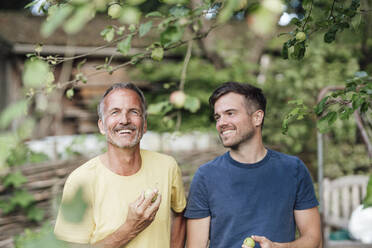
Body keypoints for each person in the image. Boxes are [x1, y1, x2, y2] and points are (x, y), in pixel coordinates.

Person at [184, 82, 321, 248]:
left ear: (257, 117)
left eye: (230, 113)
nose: (221, 123)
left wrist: (280, 247)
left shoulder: (293, 169)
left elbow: (314, 239)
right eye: (218, 117)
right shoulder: (205, 176)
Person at [54, 82, 186, 248]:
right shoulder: (81, 180)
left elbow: (180, 214)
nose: (124, 120)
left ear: (144, 125)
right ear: (102, 126)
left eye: (134, 112)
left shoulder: (167, 167)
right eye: (115, 112)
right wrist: (130, 227)